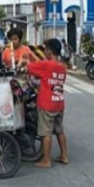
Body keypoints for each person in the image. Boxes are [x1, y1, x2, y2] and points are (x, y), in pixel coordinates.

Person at [27, 38, 69, 168]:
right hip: (59, 102)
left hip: (47, 103)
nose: (44, 52)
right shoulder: (62, 67)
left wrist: (27, 60)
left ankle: (46, 160)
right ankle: (64, 156)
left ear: (49, 52)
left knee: (46, 133)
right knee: (59, 130)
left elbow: (30, 68)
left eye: (45, 50)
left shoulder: (46, 64)